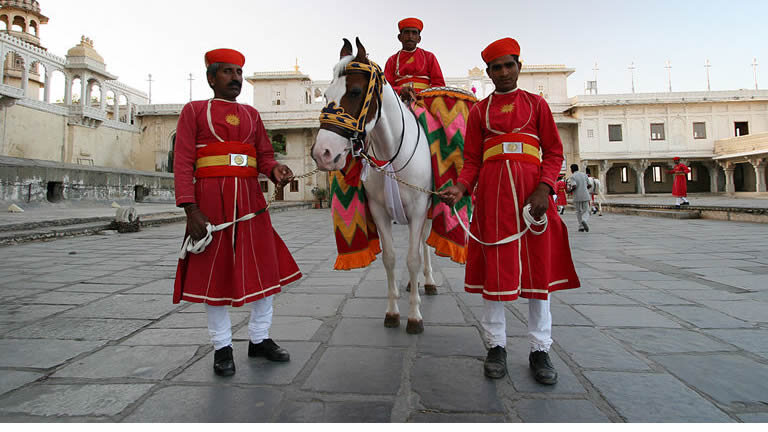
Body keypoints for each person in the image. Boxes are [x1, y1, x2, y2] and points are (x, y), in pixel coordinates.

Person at [439, 38, 580, 384]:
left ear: (519, 66)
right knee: (495, 274)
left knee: (538, 275)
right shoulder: (479, 111)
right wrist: (461, 186)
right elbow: (471, 160)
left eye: (509, 65)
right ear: (488, 72)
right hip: (492, 202)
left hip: (533, 202)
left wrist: (545, 188)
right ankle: (495, 346)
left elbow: (554, 153)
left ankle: (540, 349)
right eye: (496, 67)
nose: (503, 72)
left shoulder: (538, 106)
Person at [173, 48, 302, 377]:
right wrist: (191, 209)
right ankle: (222, 347)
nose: (235, 78)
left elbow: (265, 155)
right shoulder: (194, 111)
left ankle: (259, 338)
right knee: (214, 275)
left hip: (250, 204)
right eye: (228, 72)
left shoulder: (251, 115)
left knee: (264, 269)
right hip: (210, 206)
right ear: (211, 77)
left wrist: (275, 170)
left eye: (239, 73)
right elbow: (183, 161)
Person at [384, 17, 446, 103]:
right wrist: (400, 90)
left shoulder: (429, 56)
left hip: (426, 100)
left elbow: (439, 84)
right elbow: (386, 87)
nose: (410, 36)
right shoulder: (392, 60)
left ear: (419, 39)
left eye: (414, 33)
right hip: (399, 102)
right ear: (399, 37)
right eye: (406, 32)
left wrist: (424, 96)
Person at [568, 164, 591, 232]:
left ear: (572, 169)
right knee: (586, 210)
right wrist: (585, 189)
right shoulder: (584, 175)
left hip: (577, 196)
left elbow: (574, 186)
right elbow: (589, 185)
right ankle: (584, 220)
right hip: (585, 195)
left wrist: (569, 191)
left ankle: (581, 226)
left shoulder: (572, 176)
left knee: (578, 211)